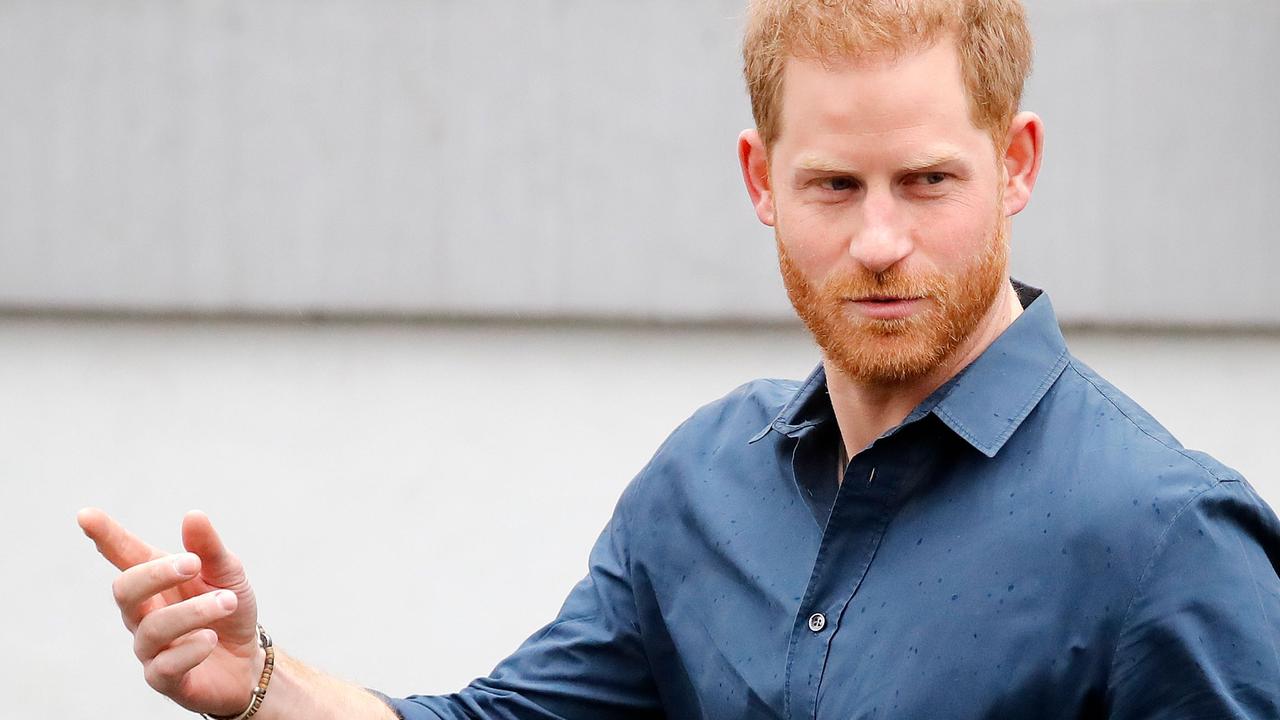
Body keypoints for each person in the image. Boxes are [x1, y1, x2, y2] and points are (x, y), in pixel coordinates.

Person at [80, 0, 1280, 718]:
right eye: (831, 184)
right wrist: (254, 682)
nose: (876, 240)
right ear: (761, 182)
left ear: (1014, 164)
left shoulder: (1164, 538)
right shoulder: (704, 481)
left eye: (927, 180)